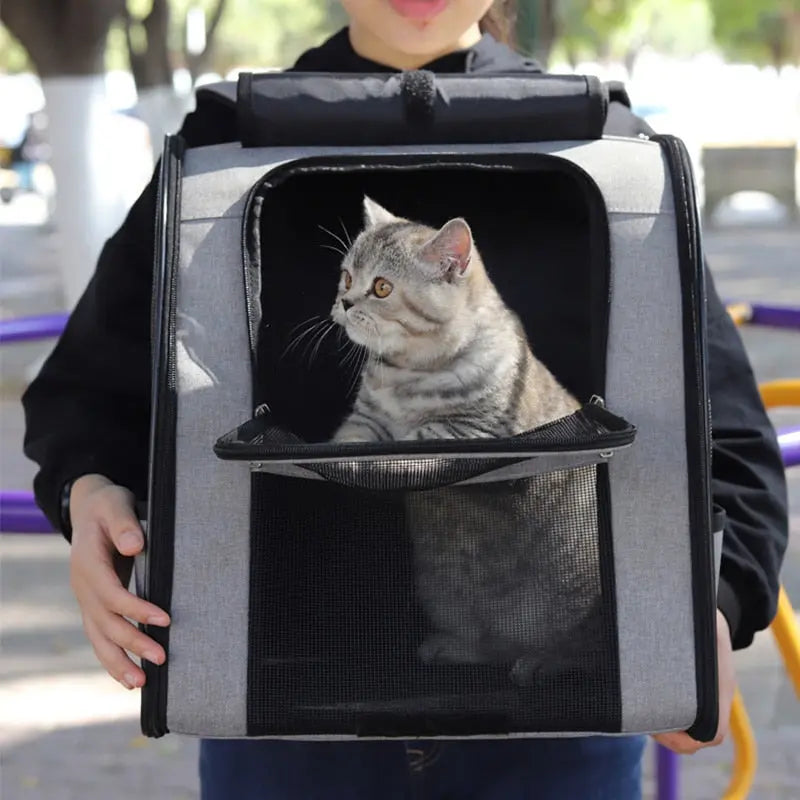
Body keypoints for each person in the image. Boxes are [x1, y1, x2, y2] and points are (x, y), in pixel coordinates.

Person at [22, 1, 788, 798]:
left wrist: (717, 608)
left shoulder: (610, 149)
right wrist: (90, 499)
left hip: (561, 722)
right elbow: (84, 397)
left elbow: (728, 445)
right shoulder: (224, 146)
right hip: (282, 719)